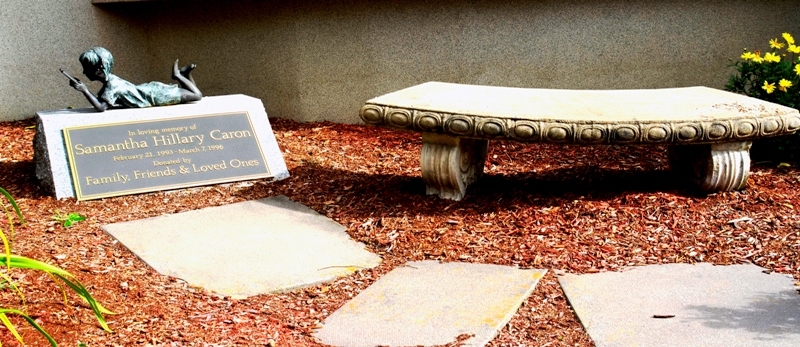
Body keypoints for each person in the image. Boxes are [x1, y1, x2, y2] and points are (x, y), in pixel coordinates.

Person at [67, 47, 202, 112]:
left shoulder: (113, 86)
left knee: (196, 95)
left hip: (154, 96)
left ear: (99, 70)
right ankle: (185, 74)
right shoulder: (112, 81)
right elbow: (106, 102)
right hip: (149, 90)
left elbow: (101, 107)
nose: (84, 72)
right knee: (189, 93)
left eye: (87, 69)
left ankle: (178, 75)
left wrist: (84, 90)